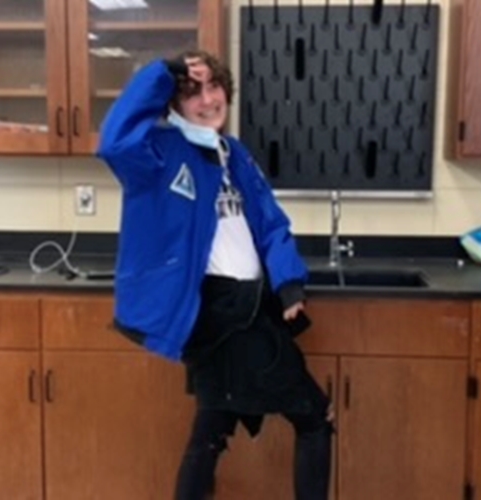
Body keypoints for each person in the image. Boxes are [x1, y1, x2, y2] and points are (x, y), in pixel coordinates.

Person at [97, 50, 333, 500]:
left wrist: (289, 284)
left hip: (251, 307)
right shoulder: (157, 154)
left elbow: (270, 223)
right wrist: (163, 72)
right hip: (218, 313)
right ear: (173, 103)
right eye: (192, 92)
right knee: (314, 416)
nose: (208, 100)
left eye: (214, 86)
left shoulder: (234, 154)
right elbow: (114, 142)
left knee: (211, 429)